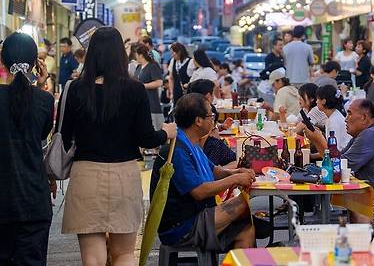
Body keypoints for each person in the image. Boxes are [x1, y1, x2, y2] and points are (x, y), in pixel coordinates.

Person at [59, 27, 177, 265]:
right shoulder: (134, 89)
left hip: (86, 175)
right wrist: (165, 132)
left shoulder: (75, 89)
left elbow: (63, 136)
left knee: (93, 258)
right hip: (124, 175)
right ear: (120, 56)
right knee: (123, 254)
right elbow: (146, 139)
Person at [0, 33, 54, 265]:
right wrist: (40, 84)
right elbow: (40, 139)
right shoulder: (45, 101)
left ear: (2, 62)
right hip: (34, 203)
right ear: (36, 64)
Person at [151, 93, 255, 250]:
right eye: (210, 115)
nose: (213, 119)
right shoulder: (177, 150)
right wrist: (235, 180)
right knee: (243, 204)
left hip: (199, 213)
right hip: (181, 226)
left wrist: (235, 172)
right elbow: (199, 192)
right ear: (198, 121)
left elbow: (213, 170)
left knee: (247, 230)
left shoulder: (191, 142)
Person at [185, 79, 237, 168]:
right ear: (198, 121)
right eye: (211, 117)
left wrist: (221, 127)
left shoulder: (184, 146)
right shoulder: (212, 146)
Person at [302, 85, 352, 153]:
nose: (316, 102)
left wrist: (317, 138)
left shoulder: (334, 121)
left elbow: (334, 151)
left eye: (317, 99)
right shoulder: (333, 116)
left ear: (323, 101)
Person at [134, 44, 165, 130]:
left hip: (151, 103)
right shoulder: (139, 67)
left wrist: (144, 86)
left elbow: (159, 82)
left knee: (154, 127)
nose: (135, 57)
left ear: (140, 55)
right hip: (139, 101)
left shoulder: (152, 66)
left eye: (136, 54)